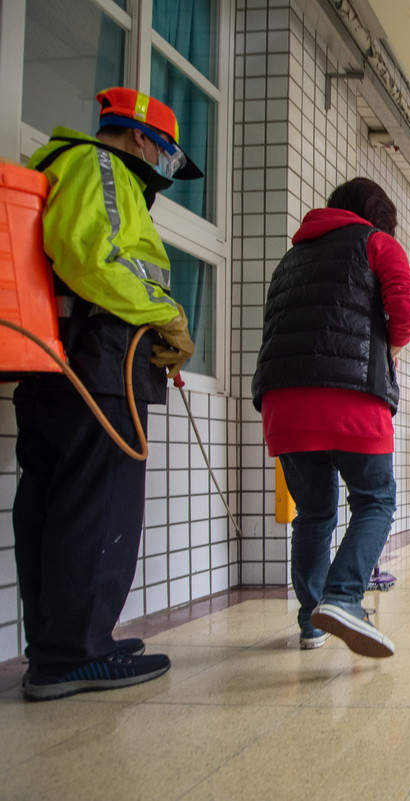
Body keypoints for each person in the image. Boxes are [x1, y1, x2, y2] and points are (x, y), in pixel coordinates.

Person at [14, 88, 202, 701]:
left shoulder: (58, 165)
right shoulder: (102, 167)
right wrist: (166, 315)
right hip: (100, 362)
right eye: (168, 153)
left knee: (52, 502)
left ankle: (58, 647)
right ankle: (76, 653)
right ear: (142, 138)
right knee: (100, 503)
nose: (168, 169)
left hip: (57, 362)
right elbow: (93, 259)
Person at [253, 177, 410, 658]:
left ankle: (312, 621)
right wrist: (387, 348)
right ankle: (343, 596)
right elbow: (405, 314)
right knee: (375, 501)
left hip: (284, 405)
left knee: (314, 513)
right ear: (378, 217)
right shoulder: (377, 243)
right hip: (351, 401)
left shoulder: (290, 259)